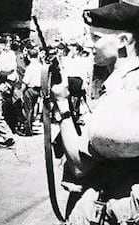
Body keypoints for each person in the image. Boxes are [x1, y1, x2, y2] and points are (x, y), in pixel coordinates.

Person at [52, 0, 139, 223]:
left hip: (113, 208)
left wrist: (62, 106)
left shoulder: (129, 89)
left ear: (123, 40)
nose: (89, 45)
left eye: (96, 38)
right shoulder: (119, 82)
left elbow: (80, 165)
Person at [21, 48, 42, 136]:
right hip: (38, 90)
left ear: (29, 56)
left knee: (27, 110)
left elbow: (25, 81)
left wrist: (22, 93)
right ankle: (30, 127)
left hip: (30, 90)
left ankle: (27, 130)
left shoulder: (30, 67)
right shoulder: (41, 66)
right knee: (33, 109)